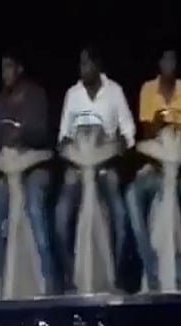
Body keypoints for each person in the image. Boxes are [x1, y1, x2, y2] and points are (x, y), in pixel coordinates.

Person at [126, 48, 181, 288]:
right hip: (155, 164)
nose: (169, 64)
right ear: (159, 63)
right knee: (131, 195)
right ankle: (150, 265)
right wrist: (159, 124)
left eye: (173, 59)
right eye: (165, 59)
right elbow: (147, 131)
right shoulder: (148, 89)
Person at [55, 46, 135, 291]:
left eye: (87, 64)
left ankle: (116, 277)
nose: (83, 69)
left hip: (105, 167)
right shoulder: (73, 94)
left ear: (98, 66)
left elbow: (129, 132)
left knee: (121, 216)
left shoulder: (114, 91)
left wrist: (121, 142)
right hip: (78, 167)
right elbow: (63, 135)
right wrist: (67, 145)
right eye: (81, 64)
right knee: (60, 217)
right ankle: (73, 277)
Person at [0, 52, 55, 292]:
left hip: (35, 167)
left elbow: (42, 133)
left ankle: (49, 282)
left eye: (9, 67)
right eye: (2, 68)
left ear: (20, 69)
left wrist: (21, 135)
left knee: (34, 209)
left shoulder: (36, 95)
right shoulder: (0, 101)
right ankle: (9, 278)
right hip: (10, 170)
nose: (5, 73)